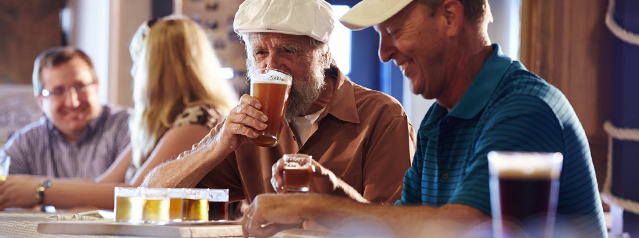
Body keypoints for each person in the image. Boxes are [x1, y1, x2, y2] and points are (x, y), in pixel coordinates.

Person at [240, 0, 608, 238]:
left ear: (450, 16)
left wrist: (314, 207)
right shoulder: (437, 120)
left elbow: (467, 228)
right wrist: (335, 191)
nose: (384, 54)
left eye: (394, 32)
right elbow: (402, 227)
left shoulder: (525, 108)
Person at [141, 0, 416, 207]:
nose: (272, 67)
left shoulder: (382, 117)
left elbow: (392, 227)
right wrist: (216, 146)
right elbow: (151, 194)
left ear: (324, 55)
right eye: (260, 52)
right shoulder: (245, 125)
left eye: (288, 51)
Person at [0, 16, 237, 210]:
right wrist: (34, 187)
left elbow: (138, 194)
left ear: (156, 69)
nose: (134, 72)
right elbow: (102, 184)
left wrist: (39, 190)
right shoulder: (168, 122)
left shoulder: (198, 119)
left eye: (138, 62)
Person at [0, 47, 130, 179]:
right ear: (40, 100)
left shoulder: (129, 126)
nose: (72, 102)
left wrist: (38, 189)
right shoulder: (25, 145)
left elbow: (136, 190)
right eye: (58, 91)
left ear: (96, 86)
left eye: (80, 86)